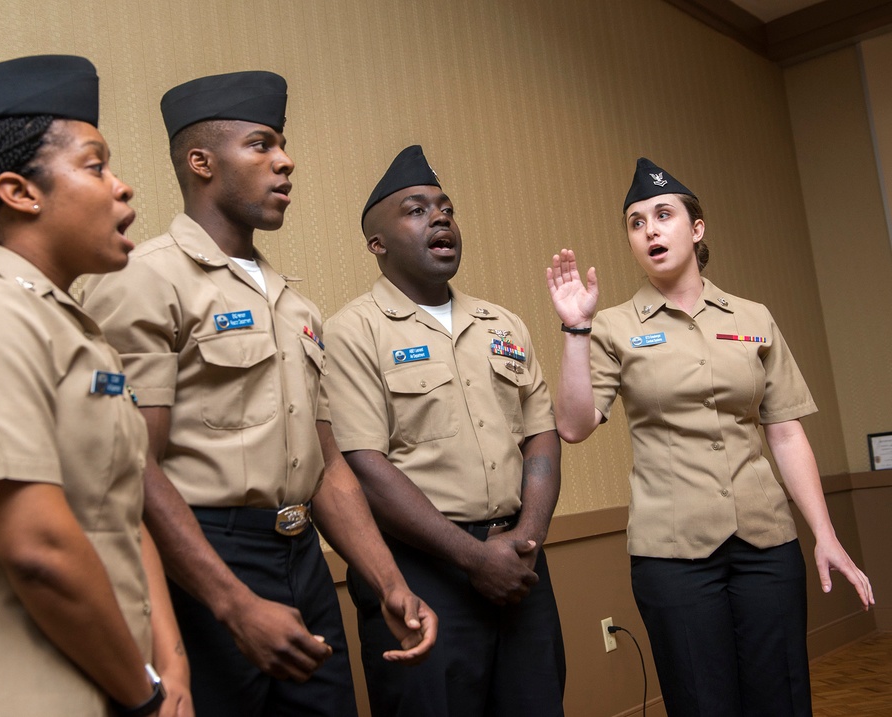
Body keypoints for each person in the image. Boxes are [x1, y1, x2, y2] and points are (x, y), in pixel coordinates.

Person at [81, 72, 436, 717]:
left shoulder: (296, 304)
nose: (285, 161)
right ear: (202, 163)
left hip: (302, 558)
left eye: (282, 146)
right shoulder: (144, 280)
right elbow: (133, 468)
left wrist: (388, 581)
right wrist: (232, 602)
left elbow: (328, 469)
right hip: (205, 559)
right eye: (261, 145)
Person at [0, 55, 192, 717]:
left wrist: (172, 665)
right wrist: (143, 692)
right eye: (95, 165)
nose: (123, 188)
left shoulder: (71, 325)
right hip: (7, 690)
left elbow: (122, 511)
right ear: (19, 191)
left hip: (117, 680)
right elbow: (38, 548)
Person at [545, 157, 875, 716]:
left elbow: (787, 432)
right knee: (703, 703)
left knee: (783, 698)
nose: (649, 229)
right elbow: (574, 427)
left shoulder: (754, 317)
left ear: (696, 230)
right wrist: (576, 329)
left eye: (663, 215)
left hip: (767, 544)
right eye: (635, 222)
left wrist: (825, 534)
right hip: (673, 556)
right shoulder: (613, 327)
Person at [323, 145, 567, 717]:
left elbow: (542, 435)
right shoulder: (352, 331)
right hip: (421, 572)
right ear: (376, 243)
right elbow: (364, 464)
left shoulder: (502, 324)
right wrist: (472, 558)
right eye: (416, 209)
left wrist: (524, 540)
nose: (440, 218)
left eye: (446, 208)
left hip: (519, 566)